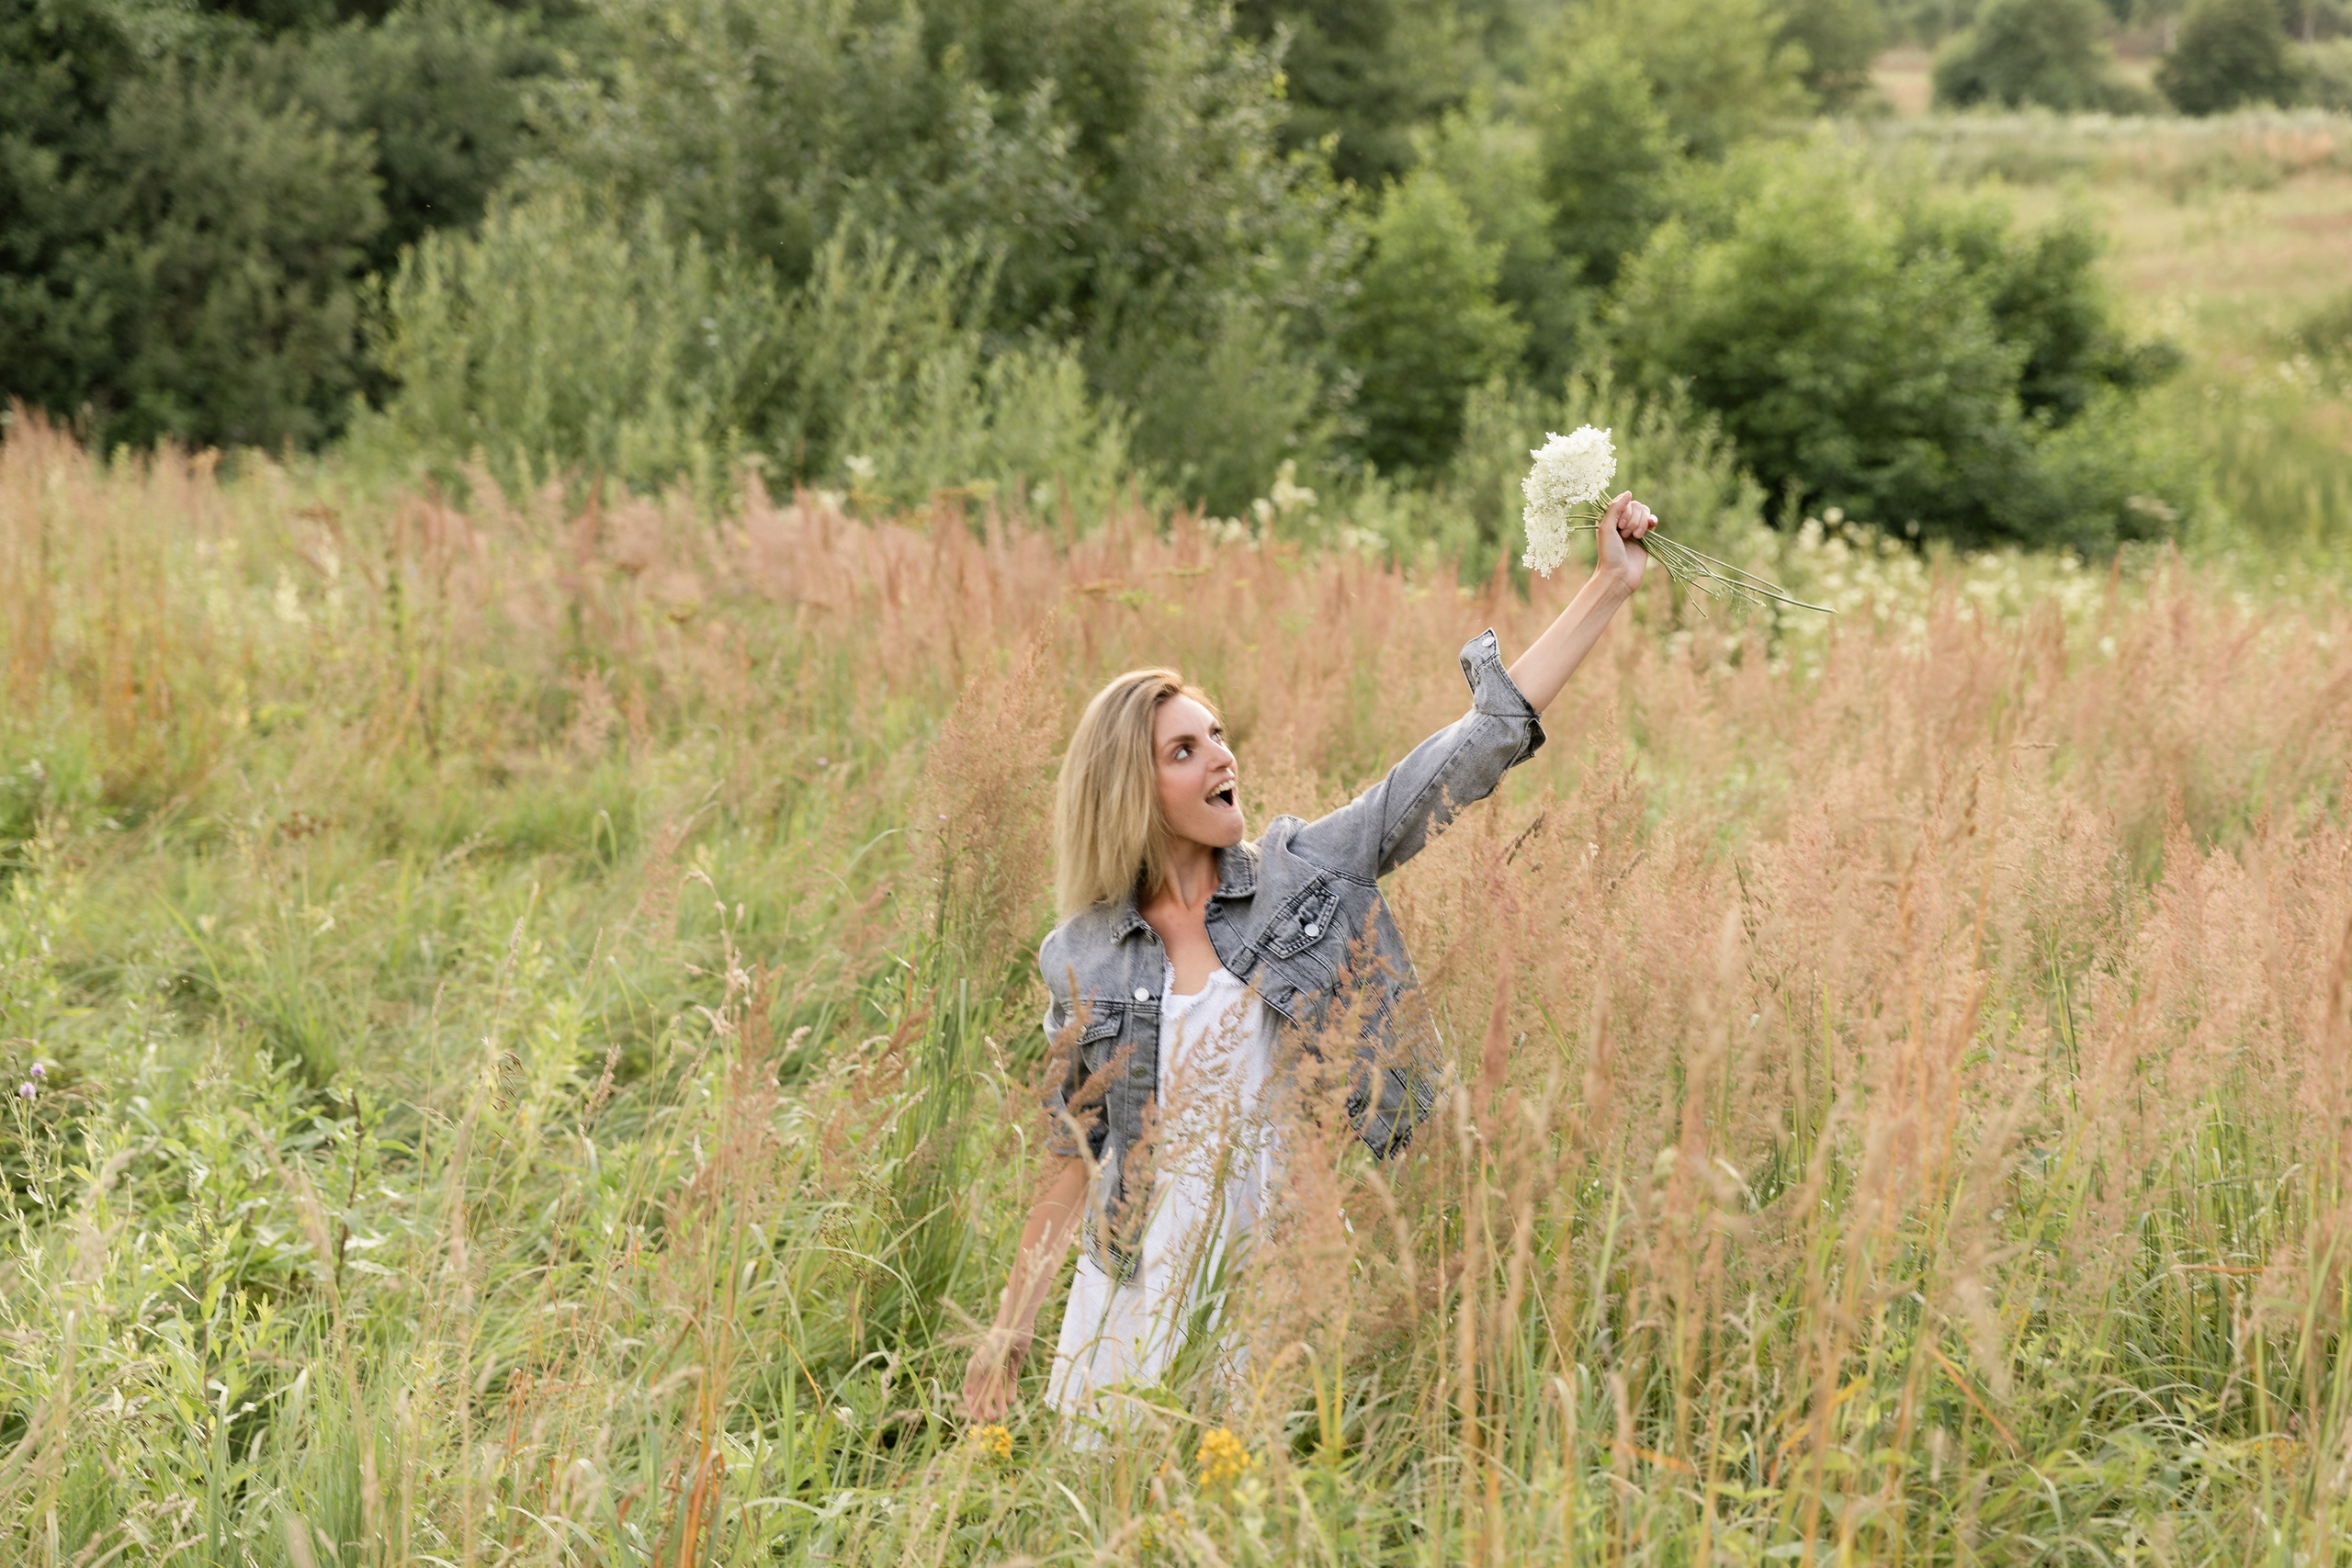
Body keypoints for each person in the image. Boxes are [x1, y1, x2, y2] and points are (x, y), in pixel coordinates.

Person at [961, 491, 1660, 1429]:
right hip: (1129, 1291)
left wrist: (1608, 587)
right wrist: (1006, 1336)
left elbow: (1465, 753)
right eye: (1185, 749)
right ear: (1132, 787)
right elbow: (1071, 1155)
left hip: (1271, 1281)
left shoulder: (1303, 873)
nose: (1221, 757)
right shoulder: (1080, 953)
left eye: (1217, 735)